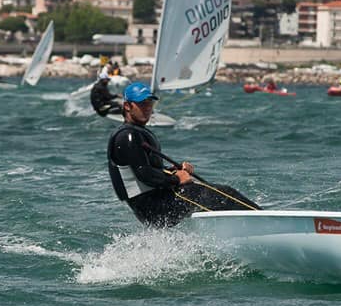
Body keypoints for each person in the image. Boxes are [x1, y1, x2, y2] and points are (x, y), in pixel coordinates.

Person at [107, 82, 260, 227]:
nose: (147, 108)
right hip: (154, 207)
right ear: (127, 106)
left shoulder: (135, 132)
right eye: (141, 104)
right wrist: (176, 178)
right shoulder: (127, 136)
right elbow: (144, 174)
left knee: (216, 193)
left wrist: (173, 169)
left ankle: (246, 225)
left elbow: (148, 169)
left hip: (157, 202)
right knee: (221, 193)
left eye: (149, 103)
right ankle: (264, 221)